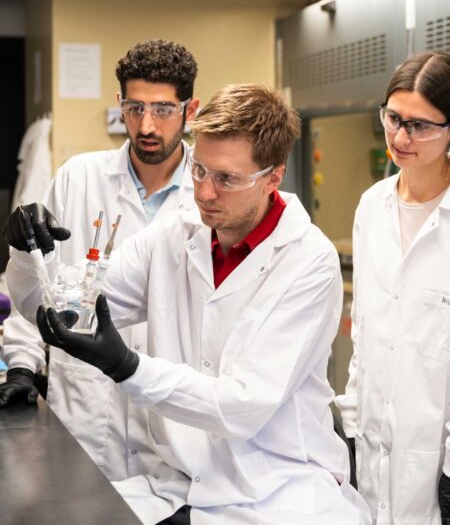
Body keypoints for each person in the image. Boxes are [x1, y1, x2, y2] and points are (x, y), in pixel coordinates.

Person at [5, 83, 371, 525]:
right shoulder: (174, 236)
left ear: (273, 176)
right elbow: (54, 310)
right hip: (179, 484)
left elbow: (243, 405)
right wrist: (27, 250)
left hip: (279, 491)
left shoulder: (308, 261)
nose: (204, 193)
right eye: (199, 169)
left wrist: (127, 365)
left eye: (227, 179)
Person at [0, 38, 200, 482]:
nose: (146, 125)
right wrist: (20, 364)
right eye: (134, 108)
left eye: (163, 109)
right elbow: (38, 290)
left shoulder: (209, 196)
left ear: (191, 108)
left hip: (175, 439)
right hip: (86, 424)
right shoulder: (78, 178)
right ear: (119, 104)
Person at [335, 51, 450, 524]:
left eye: (419, 125)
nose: (401, 137)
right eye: (393, 118)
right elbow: (364, 334)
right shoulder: (372, 207)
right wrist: (353, 425)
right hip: (371, 447)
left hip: (438, 464)